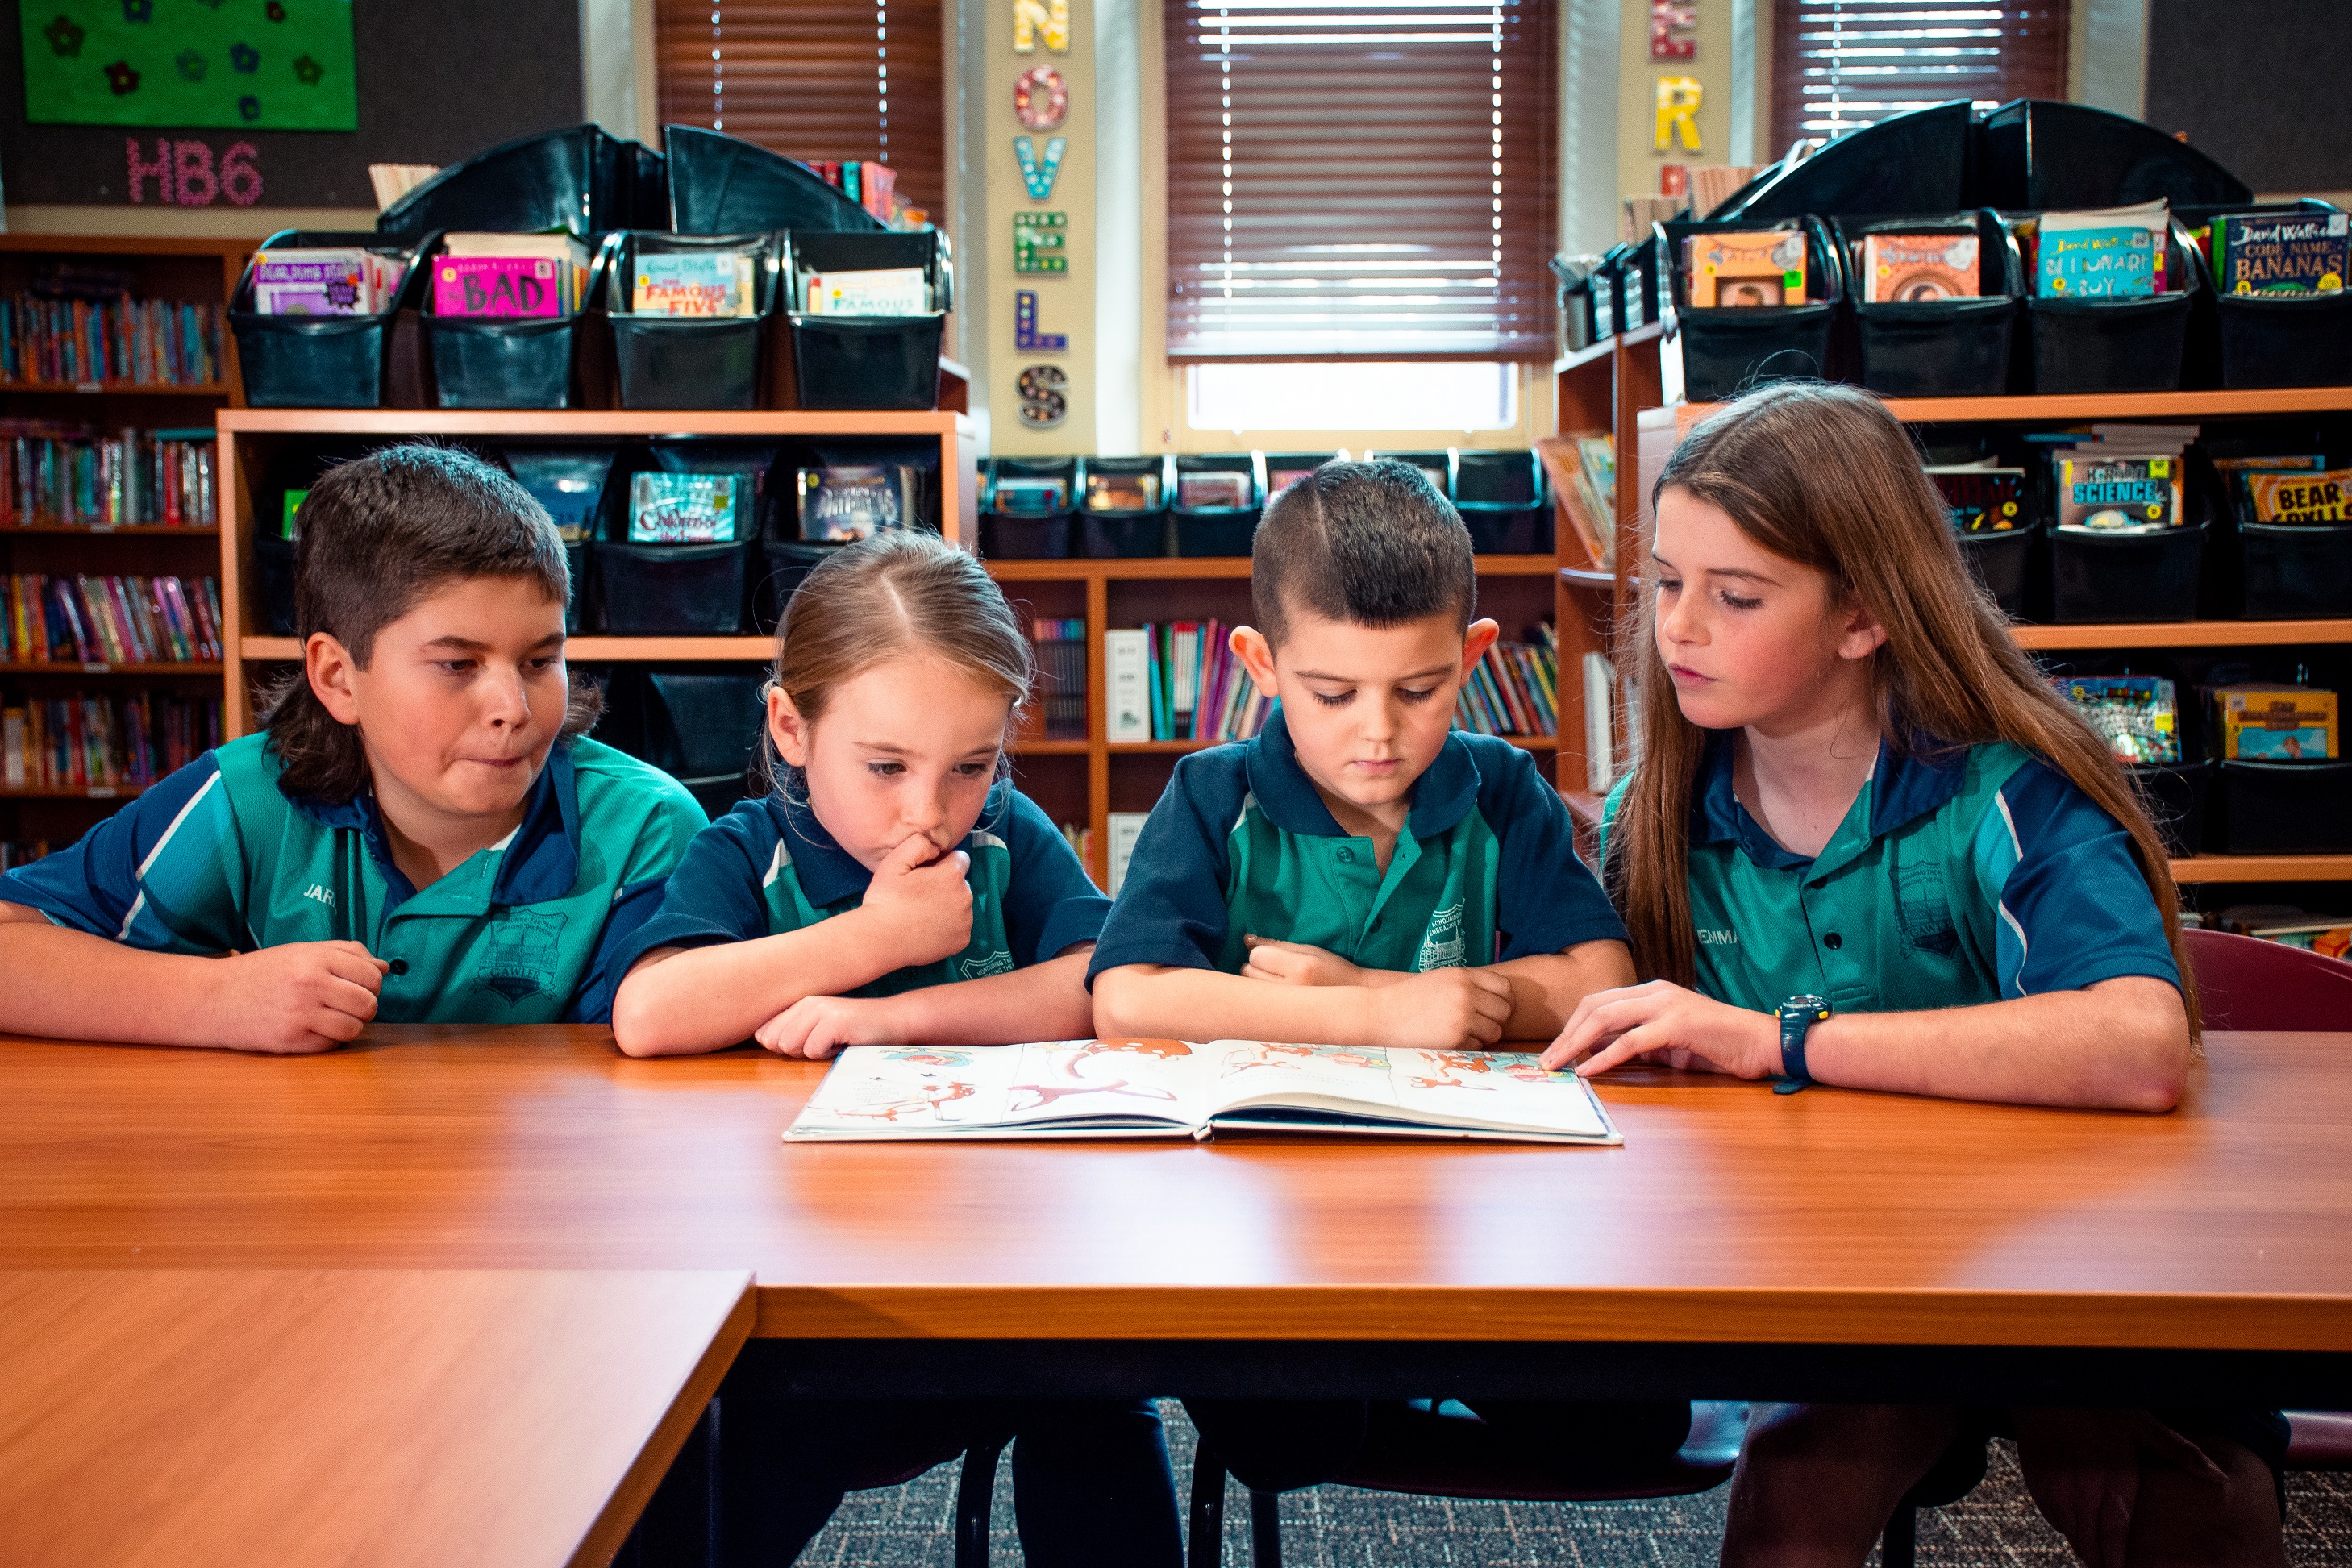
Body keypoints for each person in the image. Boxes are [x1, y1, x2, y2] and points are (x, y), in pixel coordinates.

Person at [1543, 381, 2283, 1567]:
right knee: (1789, 1507)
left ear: (1864, 617)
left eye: (1732, 597)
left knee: (2186, 1508)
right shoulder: (1655, 819)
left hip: (2101, 1267)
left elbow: (2142, 1046)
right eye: (1668, 582)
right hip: (1852, 1294)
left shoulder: (2011, 788)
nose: (1676, 629)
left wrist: (1778, 1040)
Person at [1087, 459, 1676, 1499]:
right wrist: (1368, 1010)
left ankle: (1414, 1361)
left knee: (1634, 1429)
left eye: (1418, 689)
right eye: (1332, 692)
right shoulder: (1211, 793)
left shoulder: (1499, 786)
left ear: (1473, 655)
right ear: (1261, 664)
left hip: (1474, 1219)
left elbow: (1599, 976)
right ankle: (1380, 1371)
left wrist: (1362, 982)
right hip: (1269, 1229)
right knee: (1280, 1447)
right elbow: (1128, 993)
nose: (1377, 730)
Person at [606, 530, 1180, 1567]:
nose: (929, 812)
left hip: (1019, 1276)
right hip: (822, 1300)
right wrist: (871, 940)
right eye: (884, 766)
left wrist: (891, 1015)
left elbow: (1105, 985)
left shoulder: (1004, 833)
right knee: (731, 1454)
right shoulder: (745, 850)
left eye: (969, 765)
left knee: (1107, 1401)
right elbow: (650, 1013)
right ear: (790, 724)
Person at [0, 444, 704, 1048]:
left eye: (538, 660)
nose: (512, 709)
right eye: (457, 665)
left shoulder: (644, 826)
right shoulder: (246, 800)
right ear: (338, 677)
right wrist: (215, 997)